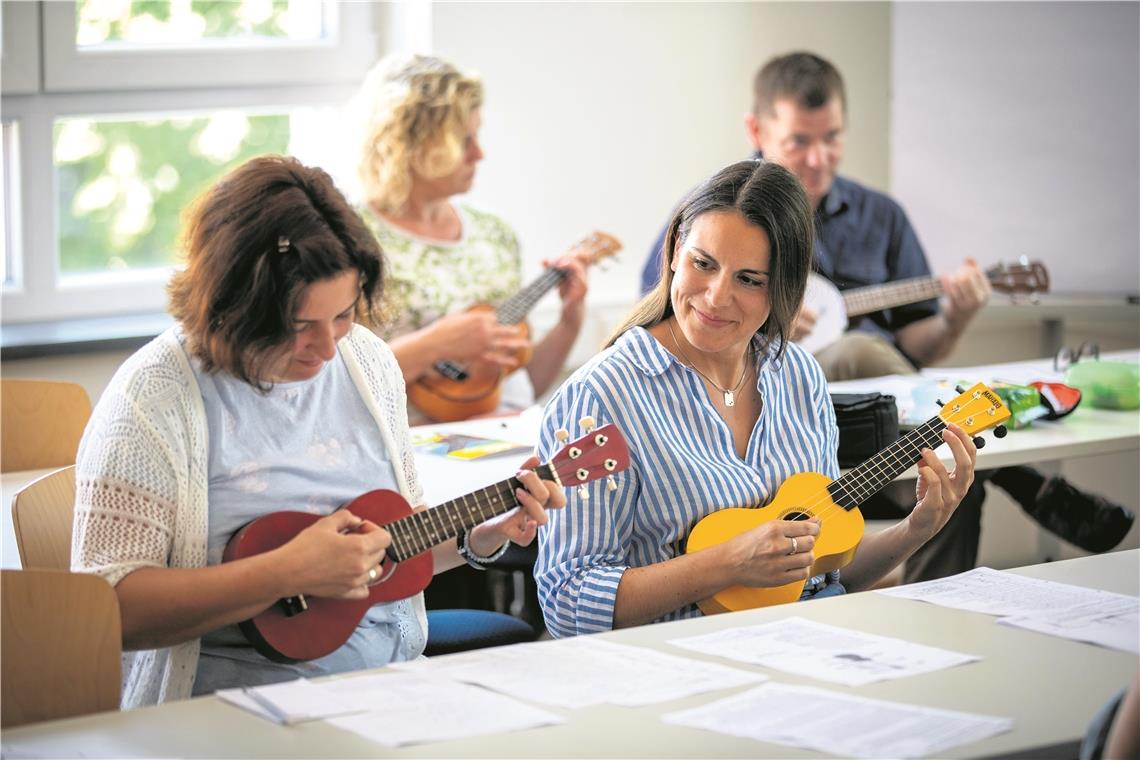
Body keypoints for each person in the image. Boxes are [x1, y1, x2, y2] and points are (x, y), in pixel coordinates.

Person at [70, 155, 564, 708]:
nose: (328, 348)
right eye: (299, 326)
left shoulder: (368, 363)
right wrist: (284, 572)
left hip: (393, 687)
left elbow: (391, 550)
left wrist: (482, 531)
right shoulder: (154, 396)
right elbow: (111, 607)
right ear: (233, 306)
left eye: (344, 314)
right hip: (229, 709)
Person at [639, 51, 1131, 581]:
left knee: (949, 477)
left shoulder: (882, 216)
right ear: (757, 130)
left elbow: (920, 347)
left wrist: (957, 318)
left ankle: (935, 614)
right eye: (798, 142)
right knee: (858, 348)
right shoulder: (718, 212)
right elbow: (669, 315)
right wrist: (765, 313)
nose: (818, 158)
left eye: (832, 138)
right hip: (772, 393)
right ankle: (1019, 475)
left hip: (883, 413)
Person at [534, 160, 979, 636]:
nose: (715, 297)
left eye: (749, 279)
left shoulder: (799, 376)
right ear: (674, 251)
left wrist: (916, 528)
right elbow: (567, 603)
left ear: (785, 288)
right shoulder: (599, 398)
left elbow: (823, 579)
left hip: (809, 646)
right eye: (703, 264)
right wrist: (724, 564)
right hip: (682, 666)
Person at [352, 53, 590, 426]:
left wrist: (570, 321)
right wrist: (436, 344)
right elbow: (334, 384)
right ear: (411, 144)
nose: (479, 154)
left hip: (499, 446)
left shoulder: (495, 235)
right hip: (398, 454)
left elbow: (518, 385)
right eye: (463, 141)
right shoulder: (349, 237)